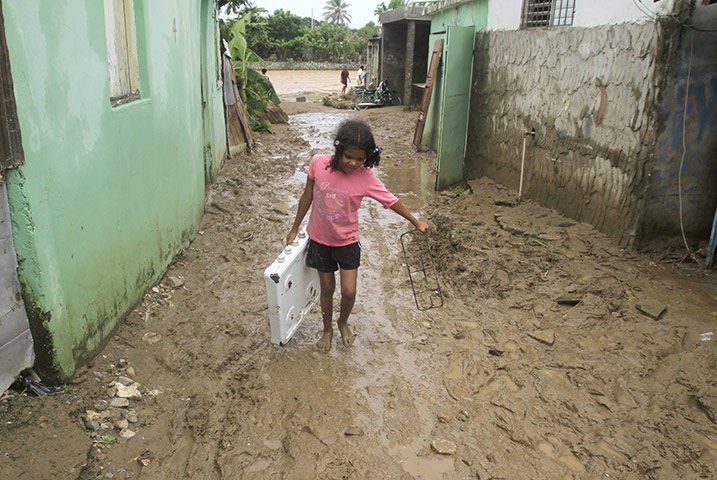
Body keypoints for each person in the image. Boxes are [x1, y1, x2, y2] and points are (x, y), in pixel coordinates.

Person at [286, 120, 429, 351]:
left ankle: (342, 322)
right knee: (327, 288)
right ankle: (327, 329)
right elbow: (306, 197)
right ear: (339, 149)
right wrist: (294, 228)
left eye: (360, 159)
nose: (353, 163)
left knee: (349, 291)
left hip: (347, 241)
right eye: (349, 156)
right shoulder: (318, 164)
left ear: (367, 158)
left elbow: (390, 200)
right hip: (320, 240)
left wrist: (415, 221)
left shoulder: (366, 177)